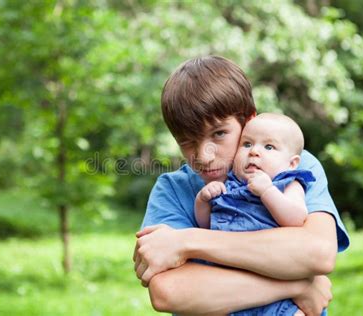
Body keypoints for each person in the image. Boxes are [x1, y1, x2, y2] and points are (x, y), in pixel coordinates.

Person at [133, 55, 350, 315]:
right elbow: (170, 293)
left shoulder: (294, 167)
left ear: (249, 121)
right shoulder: (171, 189)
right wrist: (298, 285)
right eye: (187, 141)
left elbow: (318, 253)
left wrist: (186, 241)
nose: (204, 156)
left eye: (219, 133)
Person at [195, 113, 319, 315]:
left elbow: (296, 219)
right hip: (230, 290)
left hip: (274, 289)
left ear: (292, 163)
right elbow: (206, 225)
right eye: (246, 144)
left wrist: (267, 191)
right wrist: (202, 201)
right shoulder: (229, 185)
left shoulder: (288, 183)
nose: (254, 152)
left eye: (269, 147)